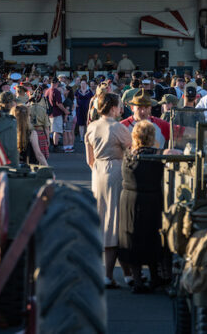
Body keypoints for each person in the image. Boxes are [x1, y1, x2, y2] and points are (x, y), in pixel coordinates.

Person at [85, 93, 132, 288]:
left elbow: (89, 160)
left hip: (98, 173)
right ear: (113, 108)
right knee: (116, 222)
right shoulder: (118, 127)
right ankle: (110, 274)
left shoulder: (92, 127)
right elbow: (132, 151)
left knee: (104, 219)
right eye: (119, 106)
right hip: (116, 172)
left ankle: (124, 274)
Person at [117, 120, 164, 293]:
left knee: (132, 238)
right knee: (152, 236)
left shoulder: (128, 155)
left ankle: (137, 280)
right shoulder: (156, 155)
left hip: (130, 199)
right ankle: (155, 277)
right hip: (151, 199)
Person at [7, 93, 47, 166]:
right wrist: (47, 167)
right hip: (30, 166)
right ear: (27, 117)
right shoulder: (31, 133)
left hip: (13, 166)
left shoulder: (9, 131)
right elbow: (38, 154)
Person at [43, 78, 68, 152]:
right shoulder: (56, 91)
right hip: (56, 113)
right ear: (57, 83)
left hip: (48, 113)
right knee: (56, 131)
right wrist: (65, 110)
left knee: (49, 131)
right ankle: (55, 146)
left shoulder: (47, 91)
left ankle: (48, 146)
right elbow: (58, 103)